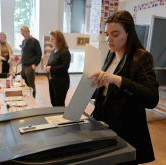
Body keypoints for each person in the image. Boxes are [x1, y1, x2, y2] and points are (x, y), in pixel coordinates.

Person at [88, 10, 159, 165]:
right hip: (104, 126)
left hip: (126, 131)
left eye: (115, 34)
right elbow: (107, 91)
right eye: (107, 34)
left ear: (128, 33)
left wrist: (118, 80)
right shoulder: (111, 54)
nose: (108, 39)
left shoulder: (141, 57)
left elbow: (152, 97)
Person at [44, 30, 71, 106]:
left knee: (59, 103)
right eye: (50, 38)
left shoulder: (65, 52)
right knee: (53, 102)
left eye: (52, 39)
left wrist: (51, 69)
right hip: (52, 80)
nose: (50, 40)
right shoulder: (53, 51)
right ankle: (56, 117)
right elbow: (51, 62)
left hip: (61, 82)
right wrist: (47, 66)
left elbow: (65, 67)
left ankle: (60, 117)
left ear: (58, 39)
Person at [20, 26, 42, 98]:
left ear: (28, 32)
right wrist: (21, 60)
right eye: (22, 33)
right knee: (24, 84)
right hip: (23, 66)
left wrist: (35, 64)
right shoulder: (23, 41)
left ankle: (33, 99)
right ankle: (27, 98)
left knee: (31, 84)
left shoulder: (35, 42)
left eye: (24, 33)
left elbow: (39, 54)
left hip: (30, 66)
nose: (23, 34)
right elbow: (24, 52)